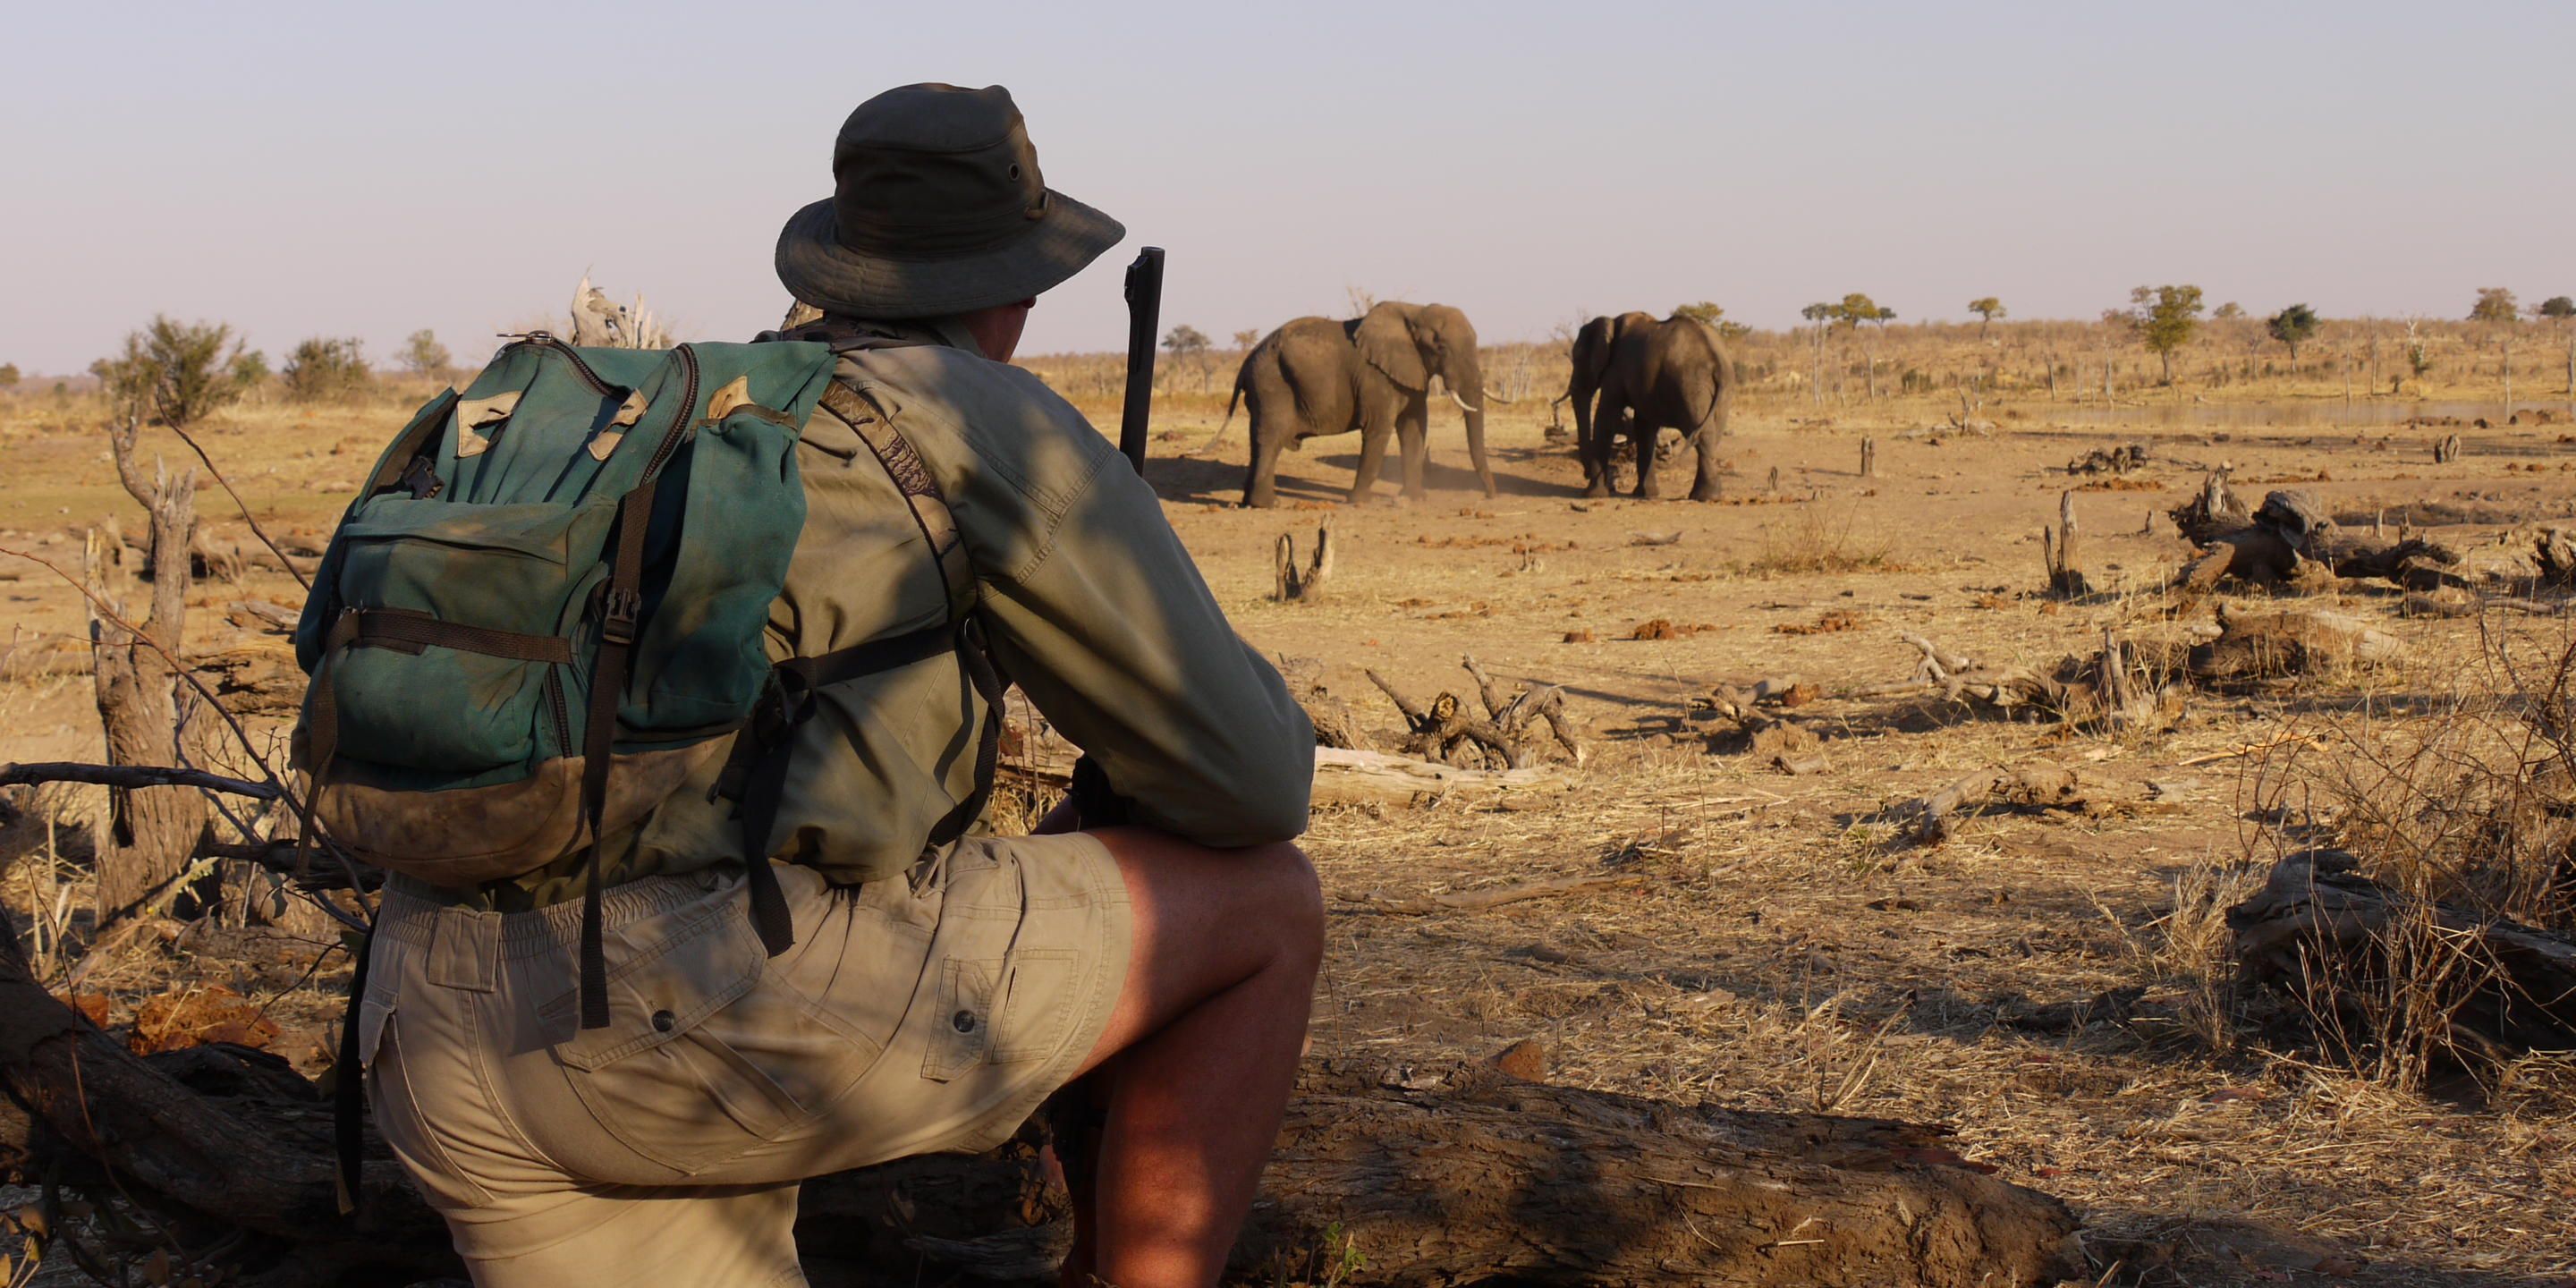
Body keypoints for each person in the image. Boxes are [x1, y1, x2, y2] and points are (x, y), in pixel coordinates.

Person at [357, 82, 1322, 1288]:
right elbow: (1255, 785)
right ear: (1017, 285)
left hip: (429, 1023)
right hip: (676, 1018)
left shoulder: (726, 405)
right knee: (1268, 908)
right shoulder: (979, 415)